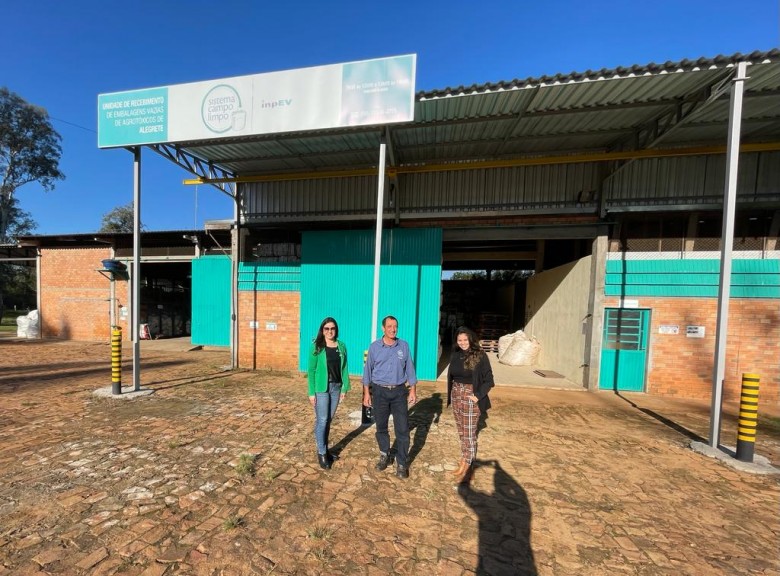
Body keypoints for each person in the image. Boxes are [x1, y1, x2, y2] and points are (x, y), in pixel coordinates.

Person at [362, 315, 417, 479]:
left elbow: (410, 369)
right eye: (389, 326)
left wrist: (412, 390)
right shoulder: (374, 347)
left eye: (395, 326)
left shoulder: (403, 346)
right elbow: (367, 371)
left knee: (402, 429)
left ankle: (402, 463)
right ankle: (384, 454)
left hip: (399, 392)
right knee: (381, 427)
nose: (393, 330)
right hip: (379, 392)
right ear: (383, 328)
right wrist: (367, 393)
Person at [447, 326, 494, 482]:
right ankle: (464, 460)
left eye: (465, 340)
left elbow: (489, 380)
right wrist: (454, 393)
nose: (462, 343)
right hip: (456, 394)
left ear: (471, 340)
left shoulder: (480, 355)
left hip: (470, 395)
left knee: (469, 434)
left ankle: (469, 466)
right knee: (462, 431)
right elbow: (452, 376)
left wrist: (478, 396)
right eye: (459, 340)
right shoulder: (456, 354)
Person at [307, 317, 350, 470]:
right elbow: (311, 371)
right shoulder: (317, 347)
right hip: (321, 388)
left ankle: (325, 449)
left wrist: (345, 387)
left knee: (328, 420)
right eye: (327, 329)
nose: (330, 331)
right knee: (323, 419)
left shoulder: (341, 346)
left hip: (336, 388)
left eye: (332, 328)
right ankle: (322, 453)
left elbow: (344, 368)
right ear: (322, 330)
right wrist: (311, 392)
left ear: (336, 330)